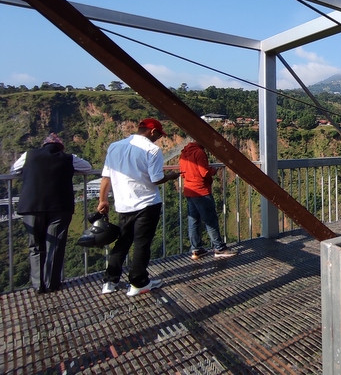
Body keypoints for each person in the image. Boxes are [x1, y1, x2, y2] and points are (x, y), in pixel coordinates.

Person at [97, 118, 180, 297]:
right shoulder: (152, 150)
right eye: (158, 134)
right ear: (151, 131)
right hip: (147, 203)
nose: (158, 138)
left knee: (123, 240)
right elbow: (156, 178)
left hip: (123, 203)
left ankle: (110, 280)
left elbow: (106, 177)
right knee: (142, 243)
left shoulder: (115, 146)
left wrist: (102, 200)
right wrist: (171, 176)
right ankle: (138, 282)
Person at [11, 133, 92, 294]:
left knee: (35, 244)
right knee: (55, 244)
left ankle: (37, 285)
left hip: (32, 206)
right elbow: (87, 167)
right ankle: (52, 283)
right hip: (60, 207)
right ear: (60, 147)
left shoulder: (29, 155)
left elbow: (14, 170)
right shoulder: (69, 158)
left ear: (43, 145)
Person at [179, 141, 236, 259]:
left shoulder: (184, 153)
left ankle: (196, 249)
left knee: (193, 221)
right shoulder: (199, 152)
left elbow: (183, 174)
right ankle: (219, 248)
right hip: (201, 191)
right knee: (210, 220)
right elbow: (204, 172)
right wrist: (213, 170)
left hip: (189, 190)